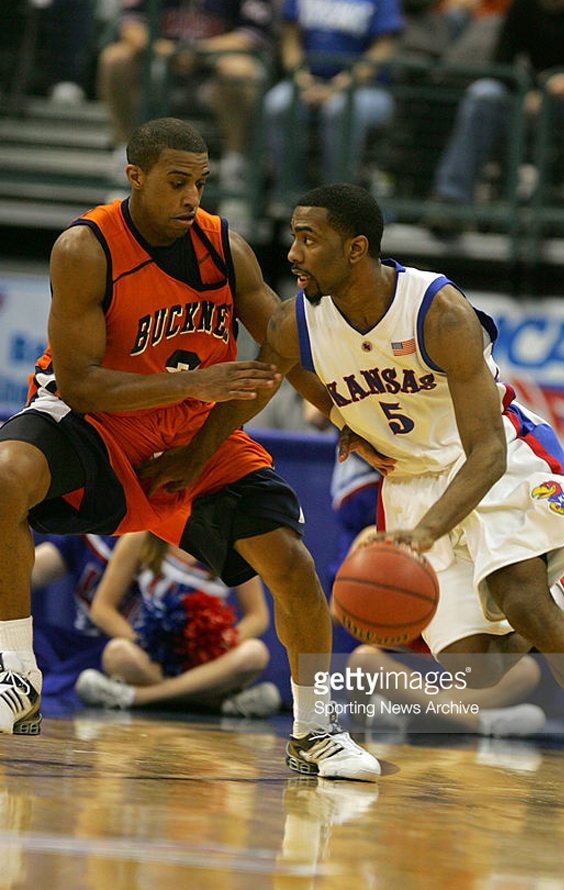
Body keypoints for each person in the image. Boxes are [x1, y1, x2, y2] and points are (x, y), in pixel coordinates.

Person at [147, 182, 564, 814]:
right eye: (293, 235)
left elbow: (485, 452)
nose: (291, 252)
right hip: (408, 476)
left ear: (356, 249)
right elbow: (266, 379)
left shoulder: (437, 311)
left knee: (520, 595)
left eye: (307, 238)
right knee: (475, 671)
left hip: (492, 461)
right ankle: (551, 611)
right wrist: (199, 452)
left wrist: (426, 533)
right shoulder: (298, 320)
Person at [0, 118, 382, 782]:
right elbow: (84, 385)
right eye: (177, 183)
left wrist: (344, 414)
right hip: (95, 423)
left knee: (291, 564)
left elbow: (278, 336)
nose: (191, 198)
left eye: (200, 183)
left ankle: (316, 731)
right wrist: (200, 380)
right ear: (136, 177)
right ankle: (17, 672)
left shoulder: (222, 247)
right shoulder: (85, 248)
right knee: (5, 477)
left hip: (190, 432)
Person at [424, 0, 564, 239]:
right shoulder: (523, 7)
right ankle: (451, 202)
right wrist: (528, 92)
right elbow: (500, 65)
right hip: (535, 97)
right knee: (484, 93)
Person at [72, 531, 282, 717]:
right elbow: (102, 608)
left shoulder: (234, 546)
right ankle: (214, 703)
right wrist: (141, 641)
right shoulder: (142, 536)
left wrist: (218, 645)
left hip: (204, 661)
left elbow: (257, 616)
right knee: (117, 652)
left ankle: (137, 697)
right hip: (152, 658)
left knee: (254, 653)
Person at [97, 0, 274, 194]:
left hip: (215, 67)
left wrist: (198, 51)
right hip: (162, 63)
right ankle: (127, 153)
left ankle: (236, 165)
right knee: (115, 59)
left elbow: (252, 36)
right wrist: (167, 50)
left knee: (238, 70)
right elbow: (131, 25)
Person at [262, 0, 401, 207]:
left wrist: (337, 87)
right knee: (278, 104)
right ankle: (290, 198)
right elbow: (290, 40)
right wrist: (302, 78)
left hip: (367, 89)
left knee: (339, 109)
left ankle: (338, 203)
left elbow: (382, 50)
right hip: (309, 83)